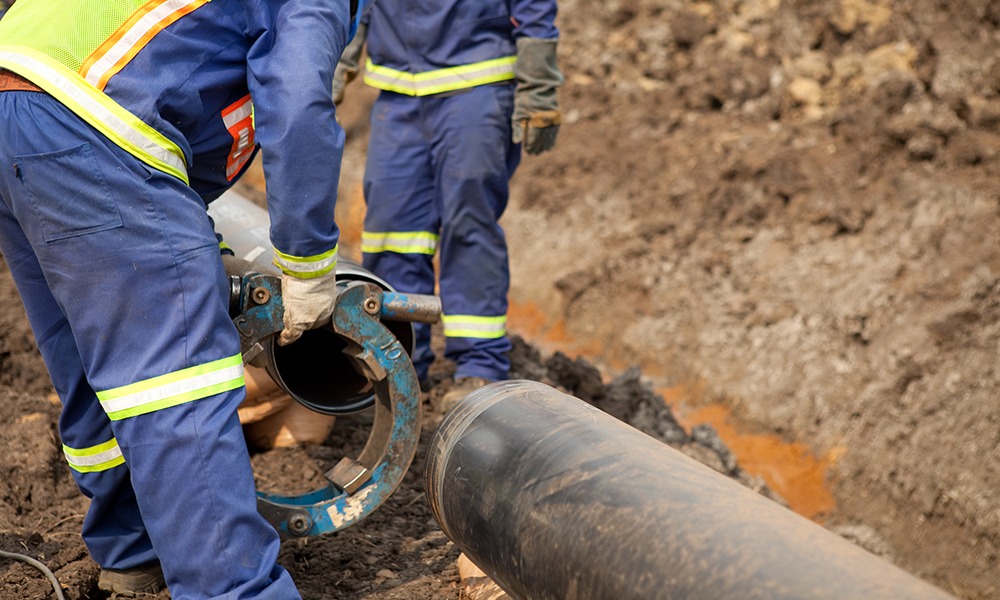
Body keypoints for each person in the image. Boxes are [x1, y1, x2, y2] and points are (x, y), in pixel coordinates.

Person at [0, 0, 365, 597]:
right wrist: (307, 264)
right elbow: (297, 105)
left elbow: (172, 74)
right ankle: (232, 587)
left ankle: (134, 549)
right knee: (178, 381)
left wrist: (192, 242)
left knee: (92, 362)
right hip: (91, 117)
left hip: (16, 94)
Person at [332, 0, 564, 408]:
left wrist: (538, 83)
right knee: (392, 233)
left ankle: (480, 365)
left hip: (476, 85)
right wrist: (339, 52)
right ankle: (399, 359)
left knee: (468, 226)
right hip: (399, 91)